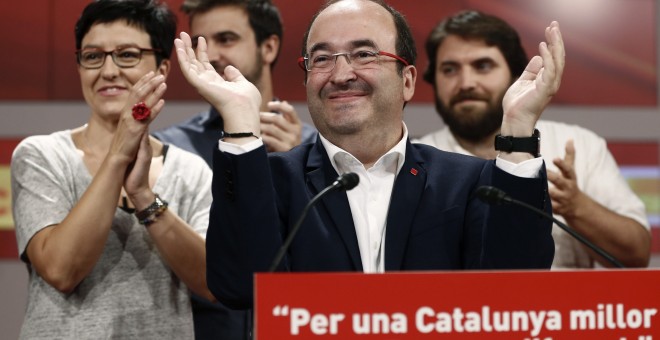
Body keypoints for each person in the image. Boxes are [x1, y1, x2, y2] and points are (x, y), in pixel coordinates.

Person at [175, 0, 564, 310]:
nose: (341, 74)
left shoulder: (468, 181)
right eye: (322, 59)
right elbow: (239, 288)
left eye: (364, 54)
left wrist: (517, 129)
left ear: (407, 80)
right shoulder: (271, 181)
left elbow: (516, 290)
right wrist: (241, 126)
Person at [10, 0, 214, 338]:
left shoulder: (190, 171)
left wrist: (145, 198)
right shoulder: (41, 156)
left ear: (163, 69)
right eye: (92, 56)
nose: (108, 71)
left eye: (128, 54)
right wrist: (119, 154)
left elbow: (212, 283)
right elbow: (61, 270)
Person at [414, 10, 651, 268]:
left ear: (515, 75)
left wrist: (576, 207)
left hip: (566, 307)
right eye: (449, 69)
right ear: (433, 80)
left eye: (483, 66)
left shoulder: (577, 143)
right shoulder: (416, 161)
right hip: (460, 309)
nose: (466, 82)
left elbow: (636, 254)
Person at [153, 0, 317, 166]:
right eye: (198, 44)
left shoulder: (314, 145)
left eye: (225, 39)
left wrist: (297, 165)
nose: (209, 56)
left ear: (268, 48)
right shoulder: (170, 147)